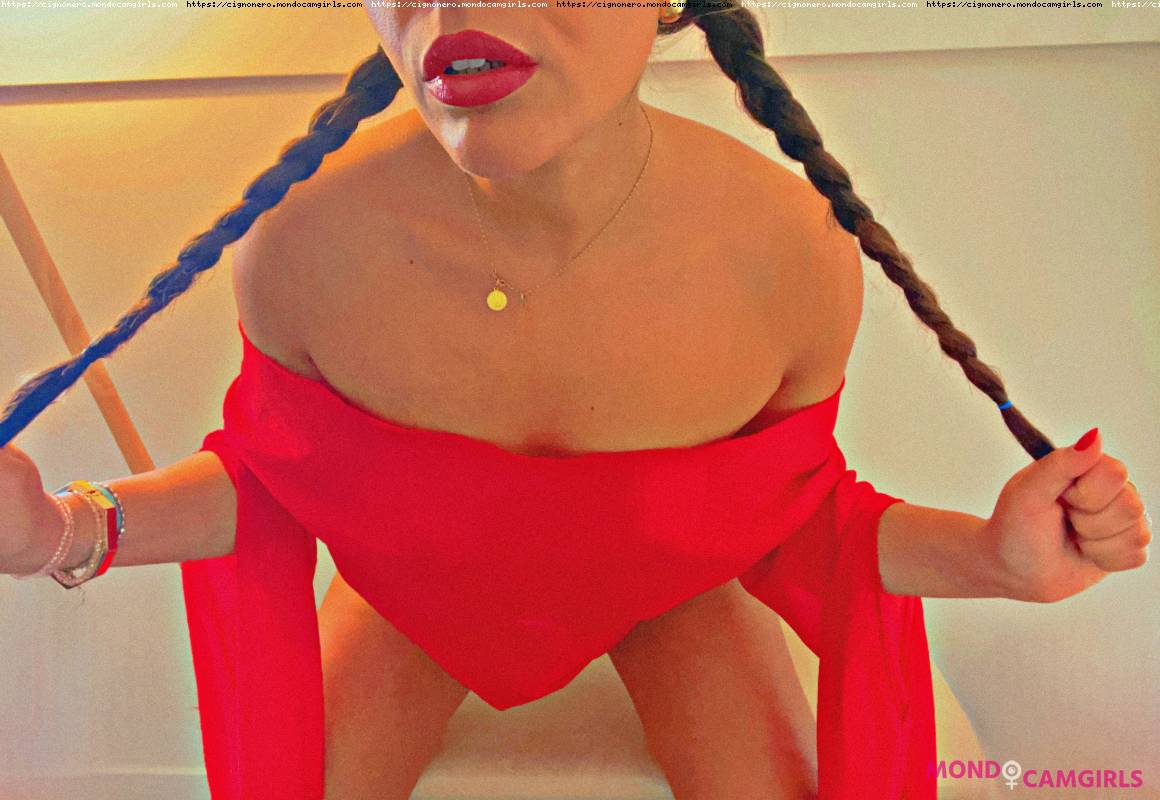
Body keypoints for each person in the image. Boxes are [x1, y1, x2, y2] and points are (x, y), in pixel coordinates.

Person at [0, 1, 1151, 798]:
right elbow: (268, 483)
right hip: (415, 597)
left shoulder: (784, 253)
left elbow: (796, 518)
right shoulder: (303, 244)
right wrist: (62, 527)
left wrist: (995, 559)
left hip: (677, 594)